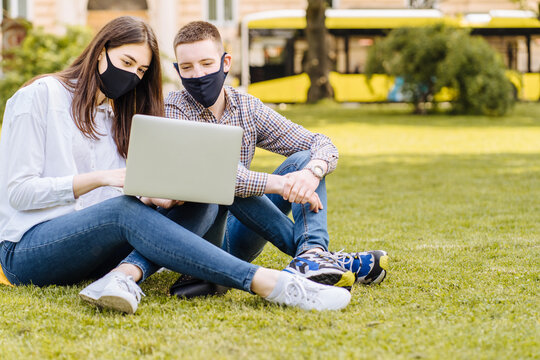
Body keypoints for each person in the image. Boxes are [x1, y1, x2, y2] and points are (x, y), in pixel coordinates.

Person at [0, 16, 352, 314]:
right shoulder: (40, 97)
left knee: (198, 193)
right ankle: (268, 282)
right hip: (27, 250)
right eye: (125, 63)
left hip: (95, 251)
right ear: (98, 52)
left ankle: (314, 256)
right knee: (126, 209)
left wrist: (157, 197)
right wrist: (101, 178)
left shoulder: (120, 117)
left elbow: (132, 192)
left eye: (140, 70)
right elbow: (18, 193)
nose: (132, 77)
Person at [165, 21, 389, 298]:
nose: (197, 74)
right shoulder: (172, 109)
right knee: (223, 183)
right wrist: (282, 185)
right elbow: (214, 175)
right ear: (177, 71)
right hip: (201, 241)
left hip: (239, 236)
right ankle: (324, 258)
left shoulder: (246, 107)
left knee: (304, 160)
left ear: (225, 63)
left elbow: (320, 144)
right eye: (187, 67)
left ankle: (312, 253)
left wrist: (312, 172)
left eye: (206, 63)